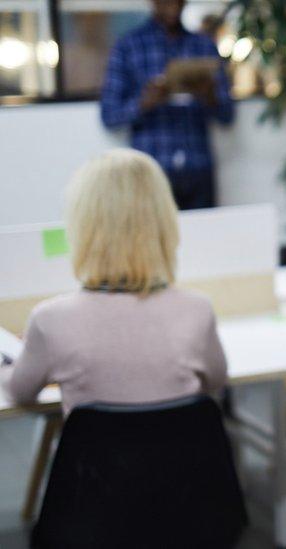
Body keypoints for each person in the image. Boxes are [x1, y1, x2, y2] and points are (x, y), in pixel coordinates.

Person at [1, 149, 227, 416]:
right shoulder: (196, 310)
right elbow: (216, 379)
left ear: (83, 227)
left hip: (92, 459)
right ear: (164, 222)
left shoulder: (50, 320)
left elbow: (18, 392)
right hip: (183, 457)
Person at [100, 0, 234, 210]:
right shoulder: (128, 46)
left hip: (197, 166)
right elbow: (109, 116)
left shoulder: (204, 45)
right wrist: (145, 102)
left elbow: (227, 115)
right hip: (150, 169)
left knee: (205, 236)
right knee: (151, 239)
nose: (173, 6)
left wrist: (208, 95)